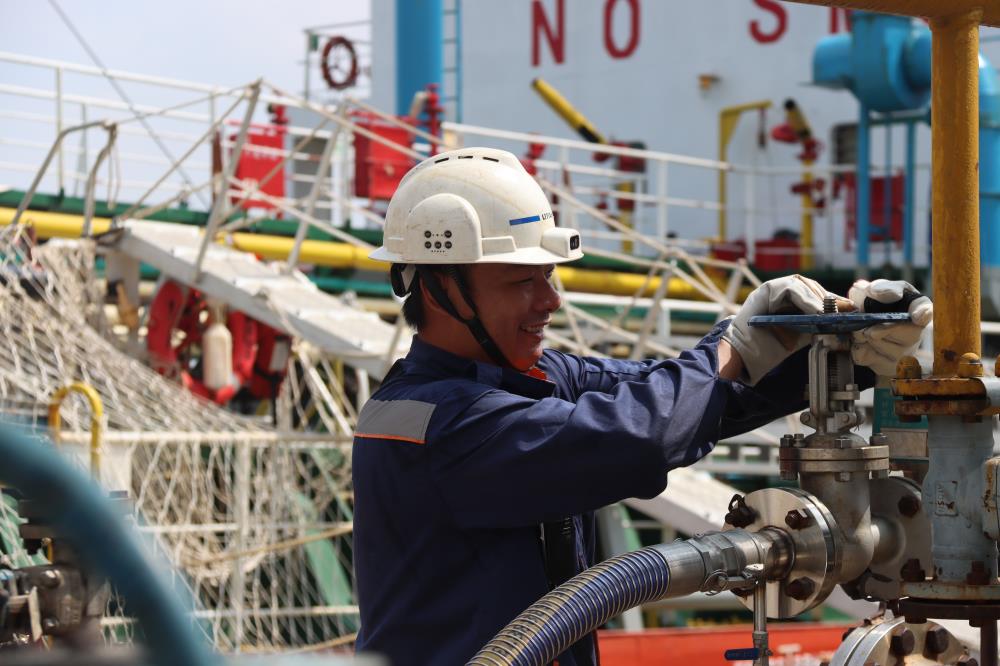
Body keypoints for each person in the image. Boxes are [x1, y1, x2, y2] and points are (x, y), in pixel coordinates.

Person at [351, 147, 932, 666]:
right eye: (522, 281)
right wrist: (735, 342)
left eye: (548, 275)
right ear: (440, 289)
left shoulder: (533, 379)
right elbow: (640, 436)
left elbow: (693, 397)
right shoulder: (438, 424)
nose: (551, 300)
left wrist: (846, 350)